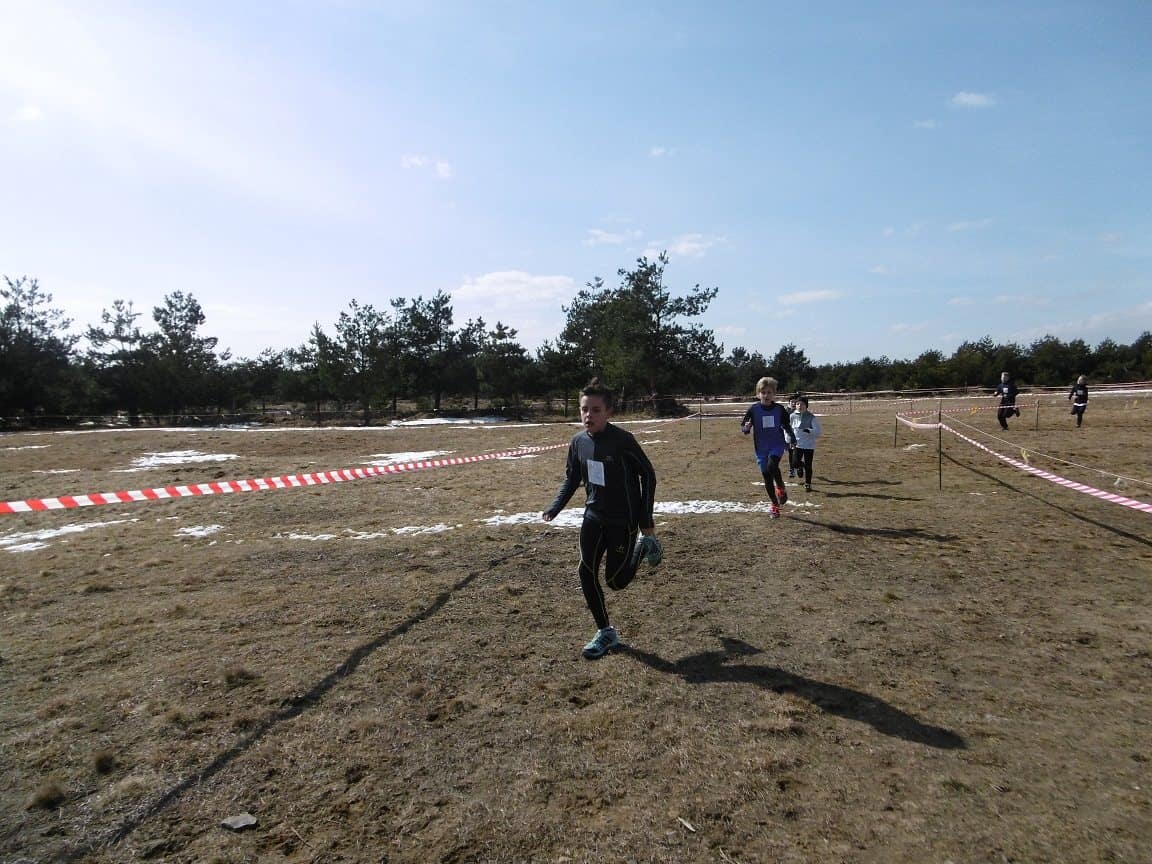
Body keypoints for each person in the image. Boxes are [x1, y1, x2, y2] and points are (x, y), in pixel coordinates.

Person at [542, 378, 661, 659]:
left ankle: (642, 547)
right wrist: (555, 507)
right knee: (586, 570)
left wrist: (645, 522)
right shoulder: (578, 442)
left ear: (608, 412)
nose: (588, 415)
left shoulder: (622, 441)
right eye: (584, 409)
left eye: (595, 410)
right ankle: (605, 631)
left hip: (623, 520)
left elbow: (648, 475)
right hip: (594, 516)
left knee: (616, 582)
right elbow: (572, 478)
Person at [741, 377, 798, 519]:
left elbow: (786, 426)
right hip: (761, 447)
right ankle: (774, 505)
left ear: (774, 394)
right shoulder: (753, 410)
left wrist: (792, 438)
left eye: (769, 392)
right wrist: (746, 428)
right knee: (766, 476)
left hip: (776, 444)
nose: (766, 395)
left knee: (772, 466)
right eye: (763, 392)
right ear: (758, 394)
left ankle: (780, 487)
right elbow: (744, 427)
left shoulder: (779, 410)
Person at [788, 396, 822, 492]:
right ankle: (800, 466)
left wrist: (809, 430)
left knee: (808, 466)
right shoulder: (792, 416)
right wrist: (789, 440)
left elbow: (818, 432)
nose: (799, 406)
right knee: (794, 463)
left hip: (809, 445)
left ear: (806, 406)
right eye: (798, 404)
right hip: (797, 444)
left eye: (802, 404)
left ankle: (808, 483)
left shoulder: (811, 417)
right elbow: (789, 429)